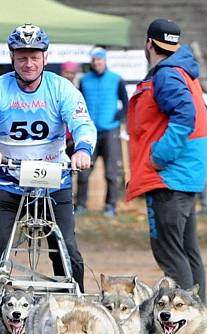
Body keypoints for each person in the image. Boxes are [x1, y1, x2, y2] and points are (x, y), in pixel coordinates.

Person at [0, 23, 95, 290]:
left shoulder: (62, 88)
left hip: (53, 177)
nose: (29, 64)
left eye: (34, 57)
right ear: (12, 57)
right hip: (6, 178)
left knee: (67, 248)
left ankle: (75, 303)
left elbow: (82, 122)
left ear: (46, 57)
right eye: (22, 57)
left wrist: (82, 150)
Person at [126, 18, 207, 300]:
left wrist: (160, 154)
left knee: (171, 254)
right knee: (187, 252)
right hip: (184, 175)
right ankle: (200, 318)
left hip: (169, 176)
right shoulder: (184, 71)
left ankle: (187, 321)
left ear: (149, 43)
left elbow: (187, 115)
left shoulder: (166, 75)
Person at [76, 47, 128, 217]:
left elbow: (126, 103)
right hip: (89, 131)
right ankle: (81, 205)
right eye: (94, 60)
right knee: (83, 172)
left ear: (105, 60)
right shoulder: (84, 80)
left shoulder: (116, 79)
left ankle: (110, 205)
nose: (97, 62)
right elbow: (79, 103)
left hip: (110, 130)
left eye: (99, 59)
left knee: (111, 172)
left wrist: (118, 118)